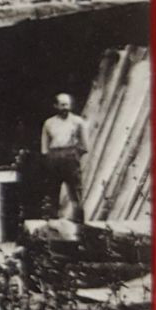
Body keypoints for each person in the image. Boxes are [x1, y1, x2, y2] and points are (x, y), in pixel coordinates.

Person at [40, 92, 90, 220]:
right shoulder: (49, 123)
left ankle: (80, 224)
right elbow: (44, 147)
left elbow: (85, 145)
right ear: (55, 106)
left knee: (76, 192)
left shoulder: (78, 121)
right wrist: (49, 158)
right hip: (54, 157)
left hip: (71, 157)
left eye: (67, 104)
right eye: (62, 105)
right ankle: (53, 223)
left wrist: (74, 155)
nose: (65, 108)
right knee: (52, 191)